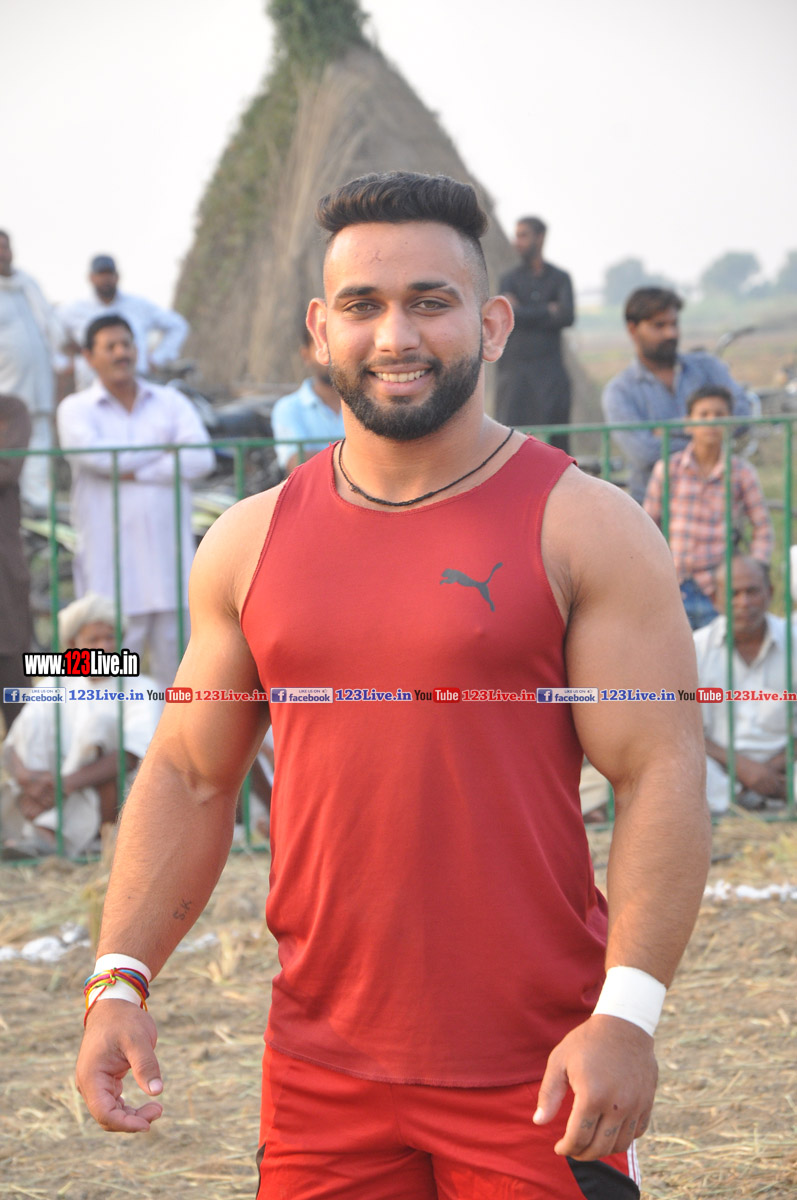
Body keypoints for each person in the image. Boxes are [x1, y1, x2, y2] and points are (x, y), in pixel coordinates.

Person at [76, 173, 710, 1199]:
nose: (394, 335)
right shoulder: (247, 541)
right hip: (318, 1077)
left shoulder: (586, 526)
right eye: (362, 305)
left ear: (491, 324)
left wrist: (627, 1017)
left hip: (540, 1070)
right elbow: (191, 773)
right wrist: (118, 977)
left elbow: (658, 774)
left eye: (429, 301)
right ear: (320, 330)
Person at [57, 316, 215, 685]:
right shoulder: (75, 409)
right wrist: (163, 451)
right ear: (88, 357)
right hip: (109, 572)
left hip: (169, 569)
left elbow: (201, 458)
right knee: (101, 684)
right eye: (110, 347)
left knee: (182, 685)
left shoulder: (170, 402)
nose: (121, 353)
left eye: (126, 344)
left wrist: (131, 470)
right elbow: (98, 459)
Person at [1, 594, 163, 859]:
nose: (104, 646)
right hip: (45, 793)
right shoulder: (55, 684)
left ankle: (47, 835)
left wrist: (64, 784)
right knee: (34, 721)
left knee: (100, 727)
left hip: (109, 796)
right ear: (72, 645)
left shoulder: (140, 687)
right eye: (93, 640)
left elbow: (130, 756)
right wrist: (30, 782)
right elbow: (15, 744)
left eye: (110, 638)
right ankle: (40, 830)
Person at [602, 288, 753, 503]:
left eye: (674, 324)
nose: (671, 333)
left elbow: (743, 415)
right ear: (633, 329)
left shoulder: (708, 367)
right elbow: (644, 453)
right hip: (655, 507)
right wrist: (710, 435)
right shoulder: (619, 391)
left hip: (717, 502)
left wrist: (669, 430)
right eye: (659, 325)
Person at [644, 385, 774, 630]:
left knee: (718, 650)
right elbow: (648, 525)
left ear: (731, 423)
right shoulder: (668, 469)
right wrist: (655, 571)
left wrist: (752, 569)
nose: (712, 421)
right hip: (674, 585)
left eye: (719, 415)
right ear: (688, 423)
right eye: (704, 415)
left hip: (719, 589)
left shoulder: (741, 472)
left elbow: (763, 528)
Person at [694, 556, 794, 815]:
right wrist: (742, 767)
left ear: (770, 592)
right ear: (715, 599)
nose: (744, 602)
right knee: (683, 765)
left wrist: (770, 770)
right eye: (733, 593)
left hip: (786, 766)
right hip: (718, 770)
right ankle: (742, 800)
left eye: (752, 591)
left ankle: (750, 801)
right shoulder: (696, 649)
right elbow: (685, 729)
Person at [0, 230, 68, 508]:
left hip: (38, 388)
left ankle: (38, 507)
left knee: (39, 448)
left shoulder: (27, 283)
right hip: (7, 394)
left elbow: (50, 328)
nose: (2, 253)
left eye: (5, 247)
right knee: (11, 455)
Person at [496, 216, 575, 453]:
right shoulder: (509, 279)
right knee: (509, 438)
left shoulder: (559, 278)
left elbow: (567, 316)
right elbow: (509, 315)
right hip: (515, 373)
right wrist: (547, 310)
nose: (517, 242)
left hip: (550, 372)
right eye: (517, 235)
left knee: (557, 440)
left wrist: (523, 310)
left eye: (523, 235)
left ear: (539, 238)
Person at [60, 255, 189, 391]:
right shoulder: (73, 310)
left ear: (117, 276)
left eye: (109, 274)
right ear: (91, 277)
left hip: (138, 384)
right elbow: (52, 336)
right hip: (90, 385)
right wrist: (64, 364)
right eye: (101, 274)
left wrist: (157, 359)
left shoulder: (138, 305)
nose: (106, 279)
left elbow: (178, 325)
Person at [0, 394, 33, 730]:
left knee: (12, 668)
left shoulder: (9, 409)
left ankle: (25, 755)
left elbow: (6, 470)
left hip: (3, 574)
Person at [270, 327, 345, 472]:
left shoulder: (367, 403)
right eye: (322, 347)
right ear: (306, 355)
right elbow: (298, 464)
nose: (331, 356)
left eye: (337, 346)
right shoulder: (289, 408)